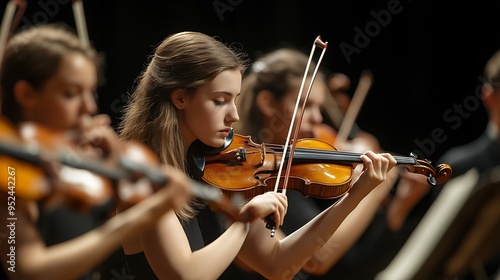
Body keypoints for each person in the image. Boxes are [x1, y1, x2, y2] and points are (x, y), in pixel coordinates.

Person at [118, 31, 397, 279]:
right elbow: (185, 274)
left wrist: (355, 196)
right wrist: (245, 221)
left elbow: (278, 266)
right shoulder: (146, 174)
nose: (234, 115)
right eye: (220, 101)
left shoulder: (211, 170)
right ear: (179, 98)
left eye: (235, 100)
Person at [0, 24, 196, 280]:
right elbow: (25, 269)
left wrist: (116, 162)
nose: (89, 107)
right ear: (26, 94)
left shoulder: (62, 159)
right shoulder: (11, 171)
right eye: (71, 94)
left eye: (90, 92)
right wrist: (140, 217)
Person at [229, 47, 400, 279]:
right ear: (268, 103)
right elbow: (317, 259)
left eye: (318, 107)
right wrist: (372, 192)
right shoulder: (255, 177)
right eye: (304, 105)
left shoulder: (296, 170)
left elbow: (350, 260)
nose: (318, 118)